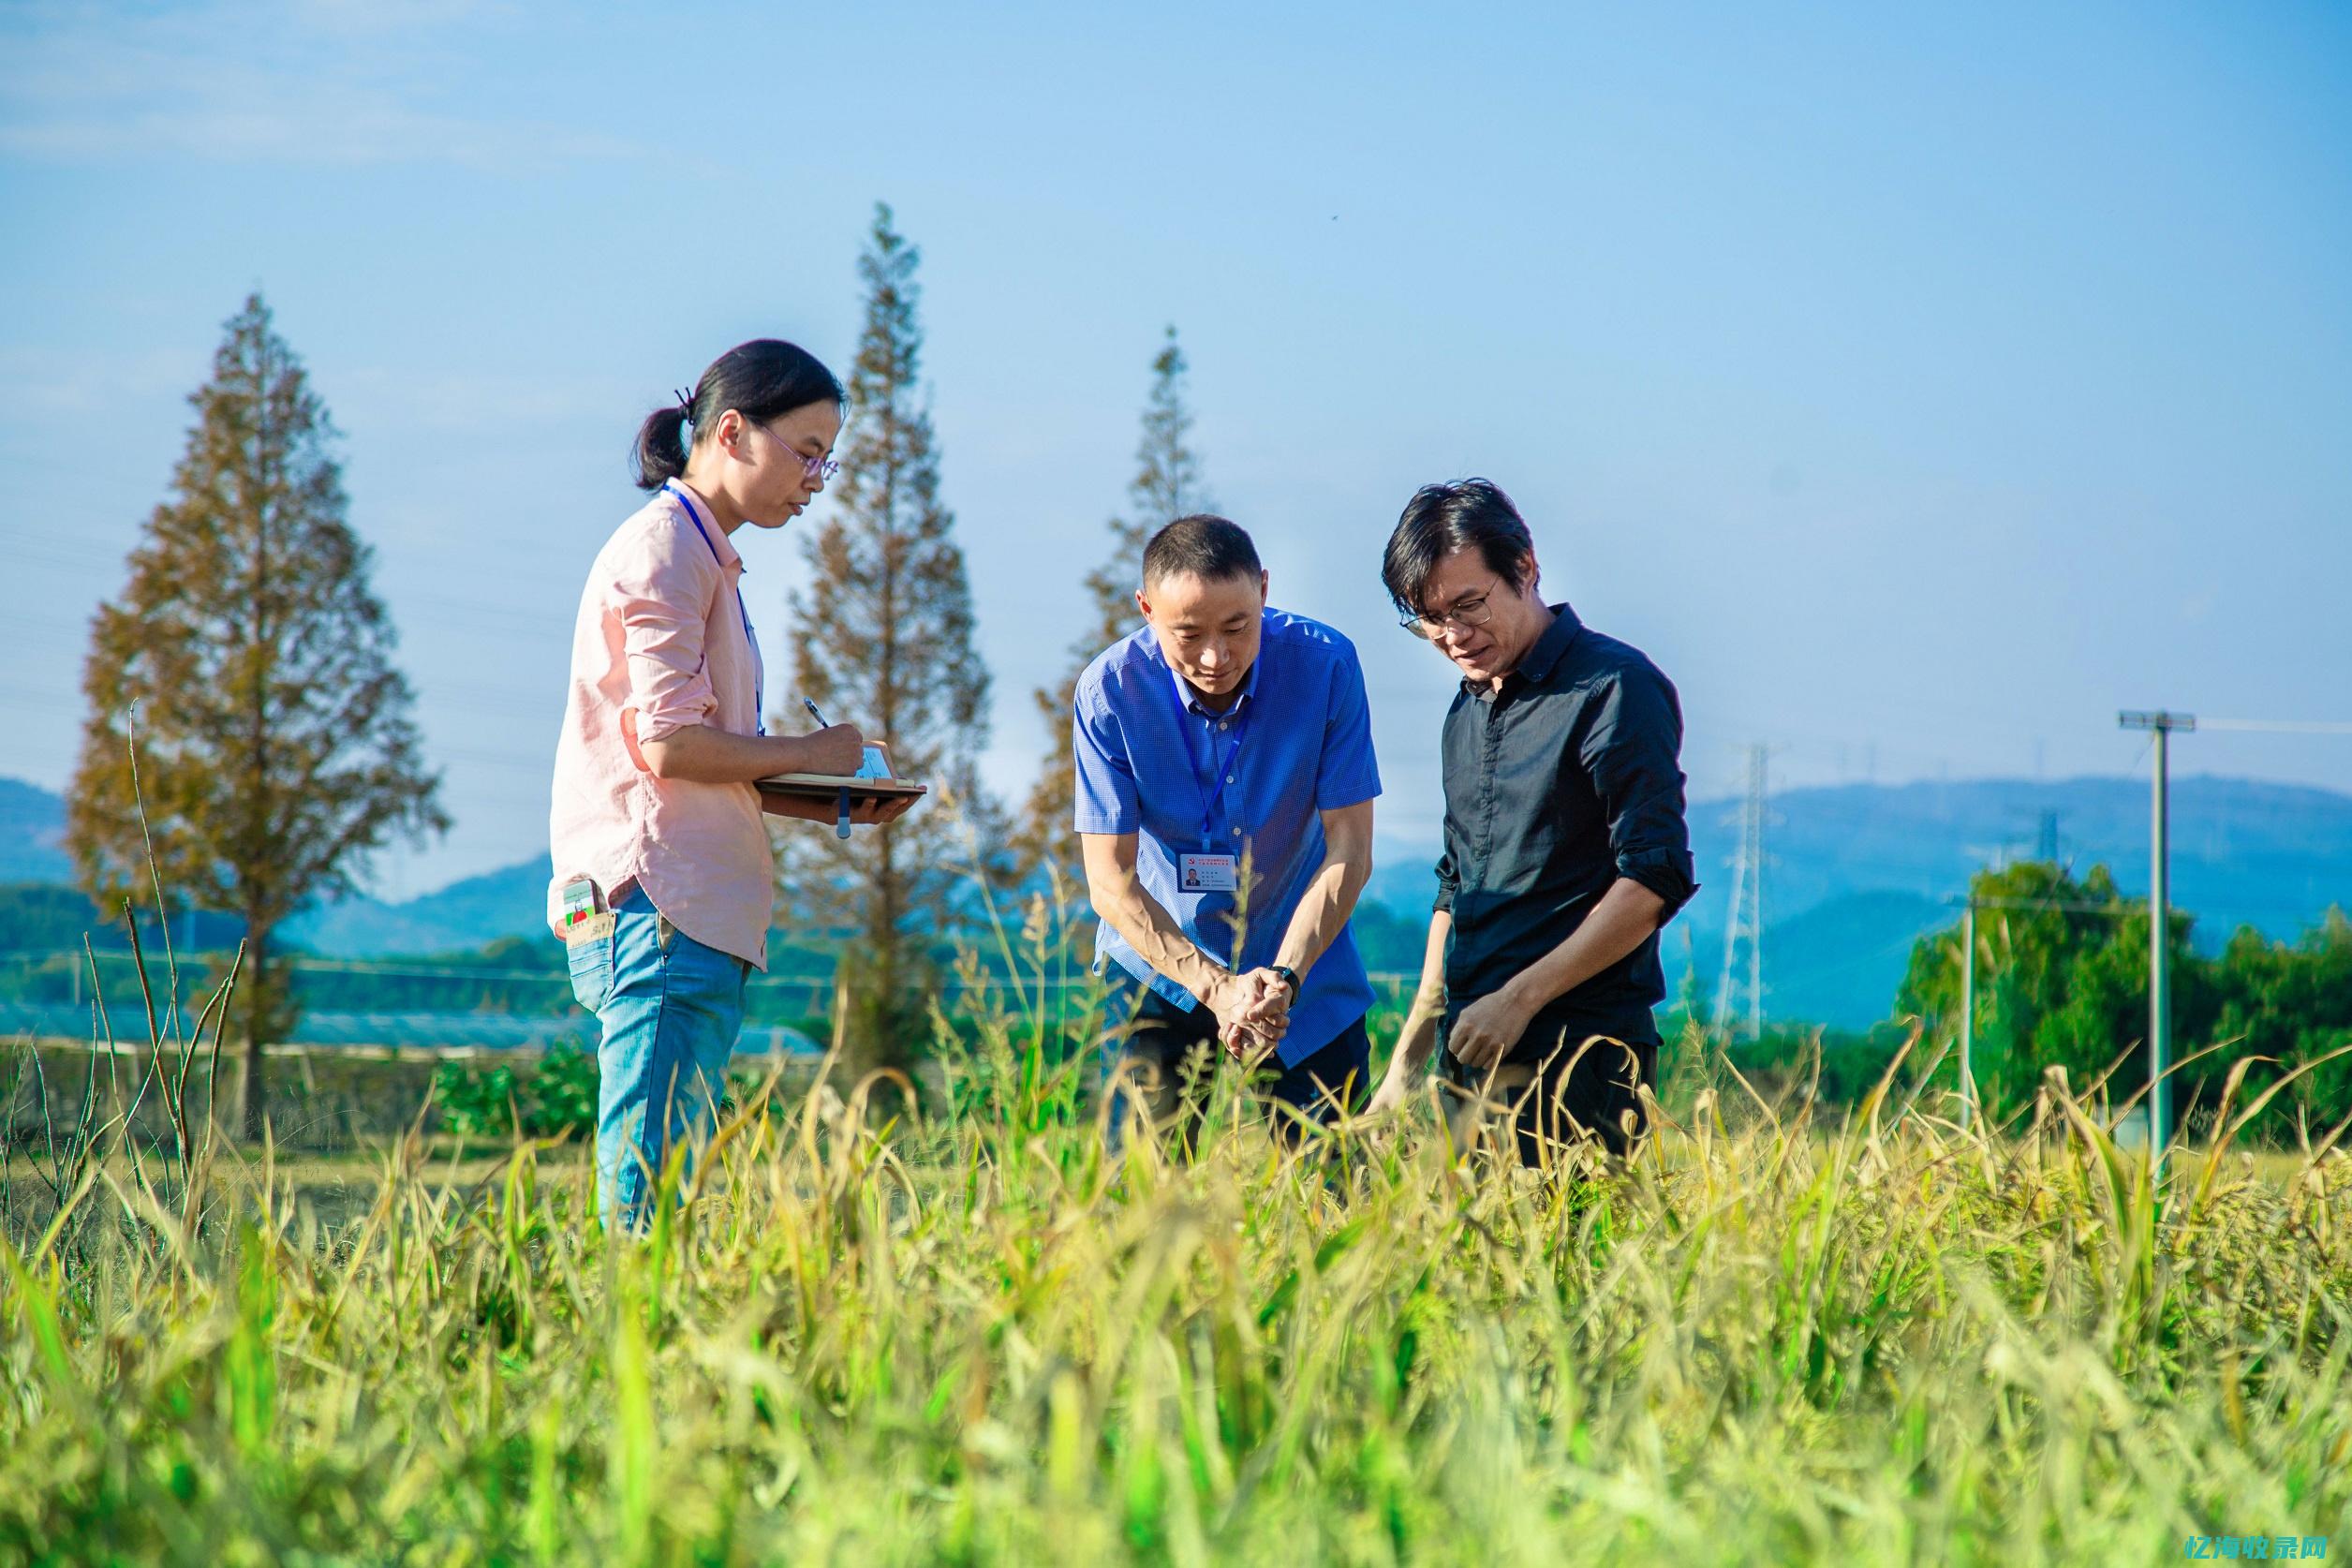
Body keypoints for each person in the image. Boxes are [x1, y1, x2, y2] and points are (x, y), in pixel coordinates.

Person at [549, 339, 914, 1226]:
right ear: (731, 431)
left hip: (682, 904)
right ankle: (628, 1352)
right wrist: (814, 751)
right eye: (807, 451)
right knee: (647, 1191)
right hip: (660, 904)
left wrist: (820, 784)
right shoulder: (667, 551)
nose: (818, 477)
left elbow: (699, 754)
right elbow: (672, 745)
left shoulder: (703, 553)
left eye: (828, 457)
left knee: (665, 1179)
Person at [1367, 480, 1695, 1164]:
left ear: (1525, 569)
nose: (1453, 636)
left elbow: (1654, 876)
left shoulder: (1613, 688)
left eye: (1468, 605)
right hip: (1469, 1055)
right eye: (1429, 619)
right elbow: (1453, 890)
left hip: (1583, 1058)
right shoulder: (1465, 710)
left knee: (1581, 1267)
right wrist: (1405, 1064)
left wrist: (1518, 1000)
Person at [1073, 515, 1381, 1149]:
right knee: (1142, 1207)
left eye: (1237, 627)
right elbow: (1110, 880)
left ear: (1264, 591)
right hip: (1161, 966)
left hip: (1302, 970)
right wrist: (1214, 986)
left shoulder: (1327, 667)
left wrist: (1283, 979)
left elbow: (1349, 849)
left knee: (1335, 1198)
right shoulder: (1109, 692)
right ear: (1145, 609)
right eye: (1187, 633)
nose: (1215, 657)